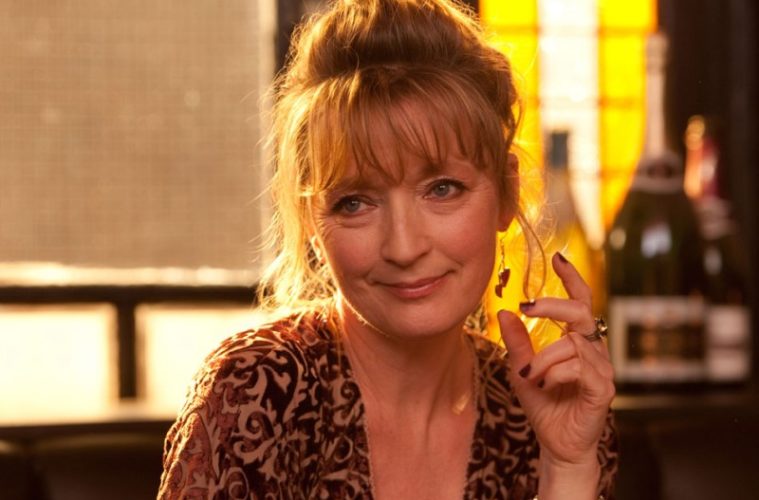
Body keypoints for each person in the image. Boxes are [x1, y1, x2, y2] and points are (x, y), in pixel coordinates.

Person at [158, 0, 618, 498]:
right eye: (355, 202)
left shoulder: (538, 411)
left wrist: (568, 468)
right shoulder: (258, 394)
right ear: (311, 220)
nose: (403, 247)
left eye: (441, 189)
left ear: (507, 193)